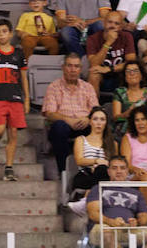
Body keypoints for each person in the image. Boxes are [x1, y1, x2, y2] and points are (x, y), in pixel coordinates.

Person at [0, 19, 29, 182]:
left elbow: (23, 78)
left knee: (13, 133)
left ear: (10, 33)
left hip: (15, 99)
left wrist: (27, 99)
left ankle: (9, 167)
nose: (1, 34)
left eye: (4, 31)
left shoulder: (18, 54)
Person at [40, 51, 96, 179]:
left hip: (84, 124)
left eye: (76, 66)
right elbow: (49, 113)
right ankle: (64, 171)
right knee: (59, 127)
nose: (73, 69)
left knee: (98, 125)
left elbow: (95, 110)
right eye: (69, 66)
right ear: (63, 68)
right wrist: (68, 120)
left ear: (80, 69)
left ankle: (92, 172)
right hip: (64, 125)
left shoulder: (88, 87)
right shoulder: (54, 87)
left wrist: (88, 119)